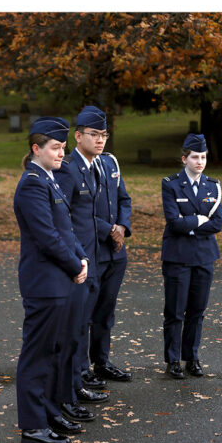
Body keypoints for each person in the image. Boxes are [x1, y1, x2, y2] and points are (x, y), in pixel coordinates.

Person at [12, 118, 88, 443]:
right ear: (36, 149)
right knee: (38, 355)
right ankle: (33, 425)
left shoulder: (50, 180)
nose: (62, 153)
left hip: (60, 281)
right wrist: (75, 264)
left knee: (56, 352)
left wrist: (81, 257)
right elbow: (46, 237)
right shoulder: (32, 183)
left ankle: (51, 412)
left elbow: (66, 229)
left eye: (63, 147)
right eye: (55, 148)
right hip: (45, 283)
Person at [60, 100, 132, 390]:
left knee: (106, 312)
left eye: (103, 135)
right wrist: (109, 229)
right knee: (84, 313)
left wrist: (122, 227)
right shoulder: (68, 169)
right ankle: (81, 370)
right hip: (91, 249)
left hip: (114, 252)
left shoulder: (109, 163)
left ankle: (101, 362)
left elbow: (124, 199)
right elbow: (71, 214)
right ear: (78, 136)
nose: (100, 140)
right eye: (94, 134)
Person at [160, 129, 222, 377]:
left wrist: (190, 222)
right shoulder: (171, 184)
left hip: (204, 256)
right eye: (195, 157)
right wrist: (199, 220)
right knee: (175, 311)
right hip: (177, 257)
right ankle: (173, 360)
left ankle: (192, 357)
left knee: (197, 311)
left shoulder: (213, 186)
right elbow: (173, 223)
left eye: (204, 157)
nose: (200, 162)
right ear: (184, 158)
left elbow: (217, 224)